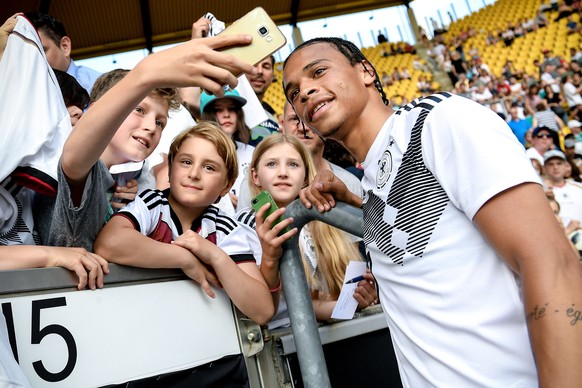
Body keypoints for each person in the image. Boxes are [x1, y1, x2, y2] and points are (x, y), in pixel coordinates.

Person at [282, 37, 582, 387]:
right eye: (293, 93)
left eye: (318, 71)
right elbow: (432, 241)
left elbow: (551, 263)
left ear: (365, 71)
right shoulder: (374, 178)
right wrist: (354, 201)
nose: (304, 93)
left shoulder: (439, 121)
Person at [36, 30, 258, 253]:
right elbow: (74, 158)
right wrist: (148, 71)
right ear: (98, 110)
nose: (152, 127)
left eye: (160, 122)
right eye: (139, 110)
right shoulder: (76, 164)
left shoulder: (124, 188)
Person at [95, 123, 274, 325]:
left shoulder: (224, 228)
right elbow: (108, 243)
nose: (194, 174)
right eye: (186, 162)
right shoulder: (152, 204)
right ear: (170, 170)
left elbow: (263, 311)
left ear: (227, 185)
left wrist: (216, 256)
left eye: (209, 167)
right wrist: (185, 259)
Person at [236, 133, 376, 325]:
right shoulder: (245, 223)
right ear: (255, 176)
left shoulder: (321, 221)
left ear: (304, 177)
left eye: (293, 164)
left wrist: (356, 300)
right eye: (272, 164)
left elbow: (311, 305)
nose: (283, 172)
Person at [200, 88, 255, 213]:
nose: (226, 114)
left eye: (231, 109)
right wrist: (221, 197)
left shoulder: (252, 152)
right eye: (219, 109)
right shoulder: (198, 152)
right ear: (208, 114)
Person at [24, 12, 101, 93]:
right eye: (27, 55)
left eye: (41, 51)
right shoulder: (26, 92)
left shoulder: (98, 88)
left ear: (65, 46)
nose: (33, 61)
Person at [245, 55, 280, 145]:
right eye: (253, 65)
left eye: (266, 66)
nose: (259, 71)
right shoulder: (225, 113)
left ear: (273, 76)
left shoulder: (274, 123)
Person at [543, 149, 582, 226]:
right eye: (551, 164)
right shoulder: (541, 191)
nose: (555, 167)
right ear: (544, 168)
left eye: (559, 163)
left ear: (566, 166)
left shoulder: (579, 187)